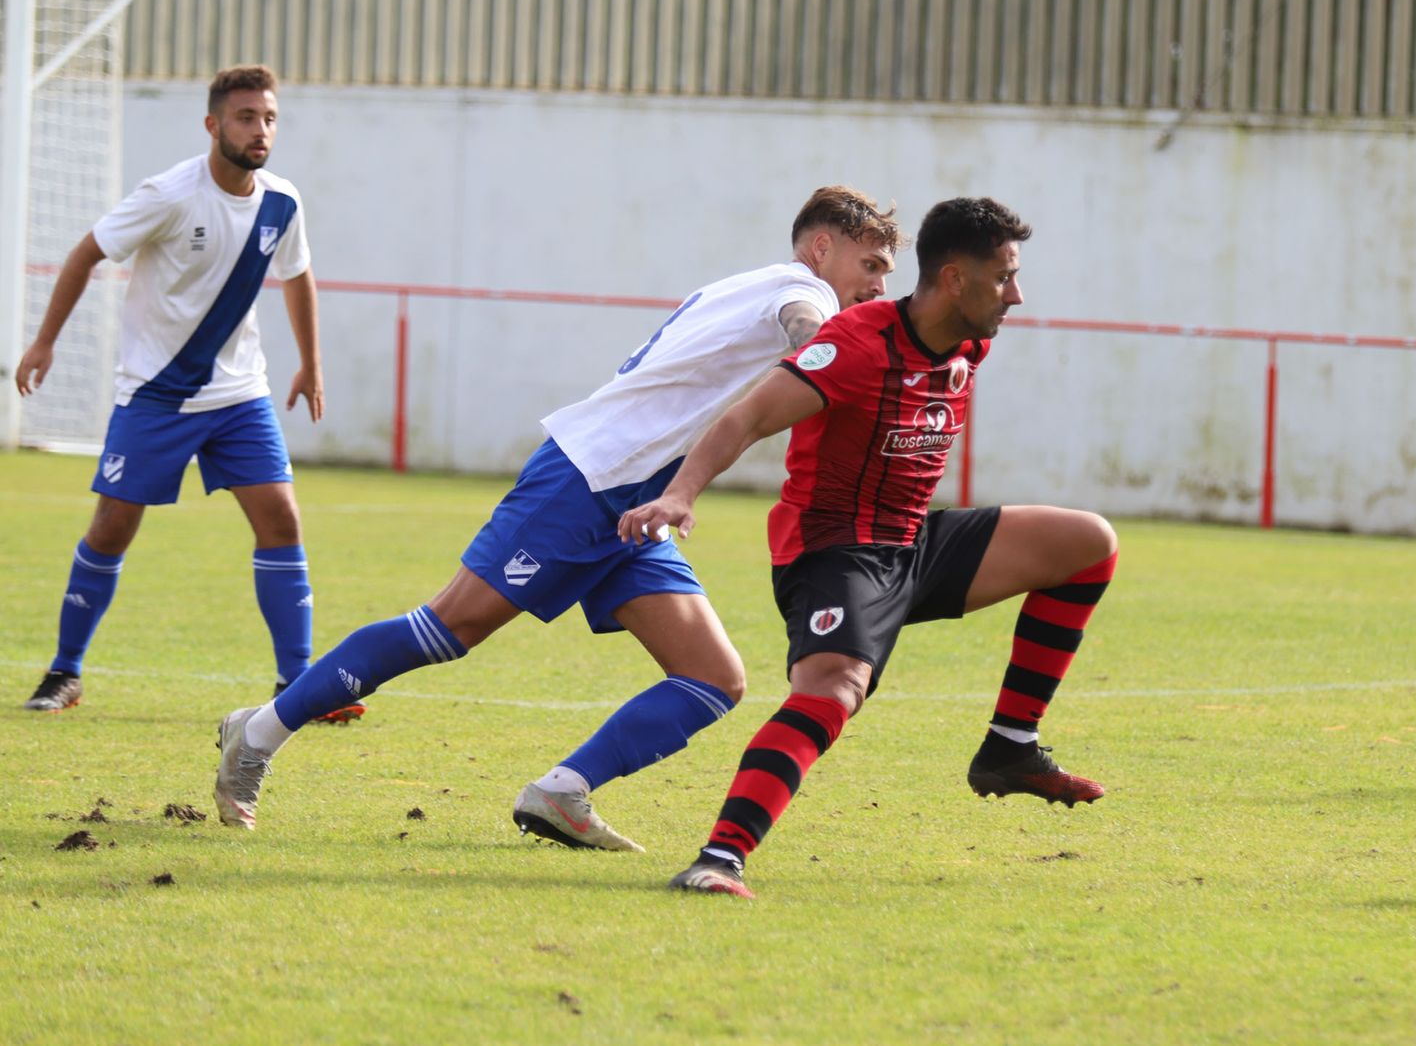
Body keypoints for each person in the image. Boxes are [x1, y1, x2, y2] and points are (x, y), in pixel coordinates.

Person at [212, 185, 904, 845]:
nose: (878, 284)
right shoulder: (802, 291)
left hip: (637, 502)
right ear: (821, 248)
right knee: (450, 627)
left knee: (713, 678)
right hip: (586, 480)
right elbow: (805, 327)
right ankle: (259, 732)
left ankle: (561, 791)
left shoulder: (751, 285)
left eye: (886, 271)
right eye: (870, 264)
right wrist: (840, 355)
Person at [617, 197, 1118, 899]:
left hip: (913, 539)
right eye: (1004, 277)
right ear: (954, 280)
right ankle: (720, 857)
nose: (1016, 295)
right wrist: (680, 494)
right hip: (835, 548)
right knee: (834, 691)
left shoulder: (969, 341)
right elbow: (749, 416)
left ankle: (1010, 746)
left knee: (1087, 543)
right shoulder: (856, 344)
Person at [12, 65, 349, 720]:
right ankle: (65, 671)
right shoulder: (168, 195)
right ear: (213, 124)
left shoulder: (282, 201)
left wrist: (311, 363)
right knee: (113, 527)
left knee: (281, 518)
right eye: (246, 117)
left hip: (240, 396)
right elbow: (86, 253)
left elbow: (298, 275)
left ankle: (298, 684)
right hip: (156, 395)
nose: (260, 130)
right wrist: (45, 341)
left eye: (270, 118)